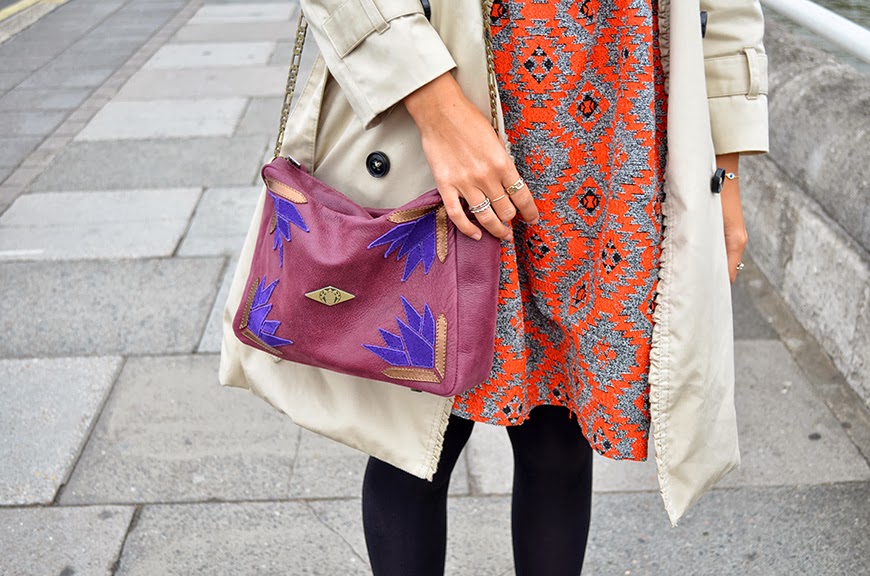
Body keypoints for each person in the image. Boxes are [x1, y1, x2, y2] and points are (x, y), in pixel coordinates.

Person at [219, 0, 769, 574]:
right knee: (417, 439)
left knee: (560, 434)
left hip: (610, 129)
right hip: (455, 96)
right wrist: (437, 111)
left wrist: (724, 169)